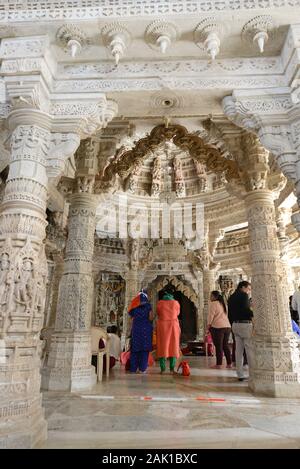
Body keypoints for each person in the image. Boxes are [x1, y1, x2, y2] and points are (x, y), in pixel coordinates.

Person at [228, 281, 254, 381]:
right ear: (243, 287)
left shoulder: (231, 296)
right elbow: (245, 310)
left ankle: (240, 374)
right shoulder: (243, 295)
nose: (249, 291)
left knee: (238, 351)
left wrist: (232, 325)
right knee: (249, 350)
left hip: (235, 325)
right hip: (245, 325)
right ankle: (252, 374)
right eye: (248, 288)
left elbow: (229, 313)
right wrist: (252, 313)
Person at [128, 290, 153, 374]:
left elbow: (131, 320)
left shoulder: (134, 305)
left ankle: (133, 369)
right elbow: (150, 317)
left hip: (136, 329)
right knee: (144, 349)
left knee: (135, 349)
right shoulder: (148, 306)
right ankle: (142, 369)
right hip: (146, 329)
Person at [156, 288, 181, 373]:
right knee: (173, 346)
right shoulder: (175, 303)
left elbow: (158, 313)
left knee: (163, 346)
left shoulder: (160, 303)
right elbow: (177, 313)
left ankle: (162, 369)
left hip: (162, 326)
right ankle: (172, 368)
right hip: (173, 325)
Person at [207, 290, 232, 369]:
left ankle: (219, 364)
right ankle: (229, 363)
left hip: (218, 327)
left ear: (215, 297)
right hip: (227, 326)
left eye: (211, 296)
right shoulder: (223, 304)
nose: (210, 297)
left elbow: (211, 316)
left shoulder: (213, 304)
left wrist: (208, 326)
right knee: (225, 345)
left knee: (219, 346)